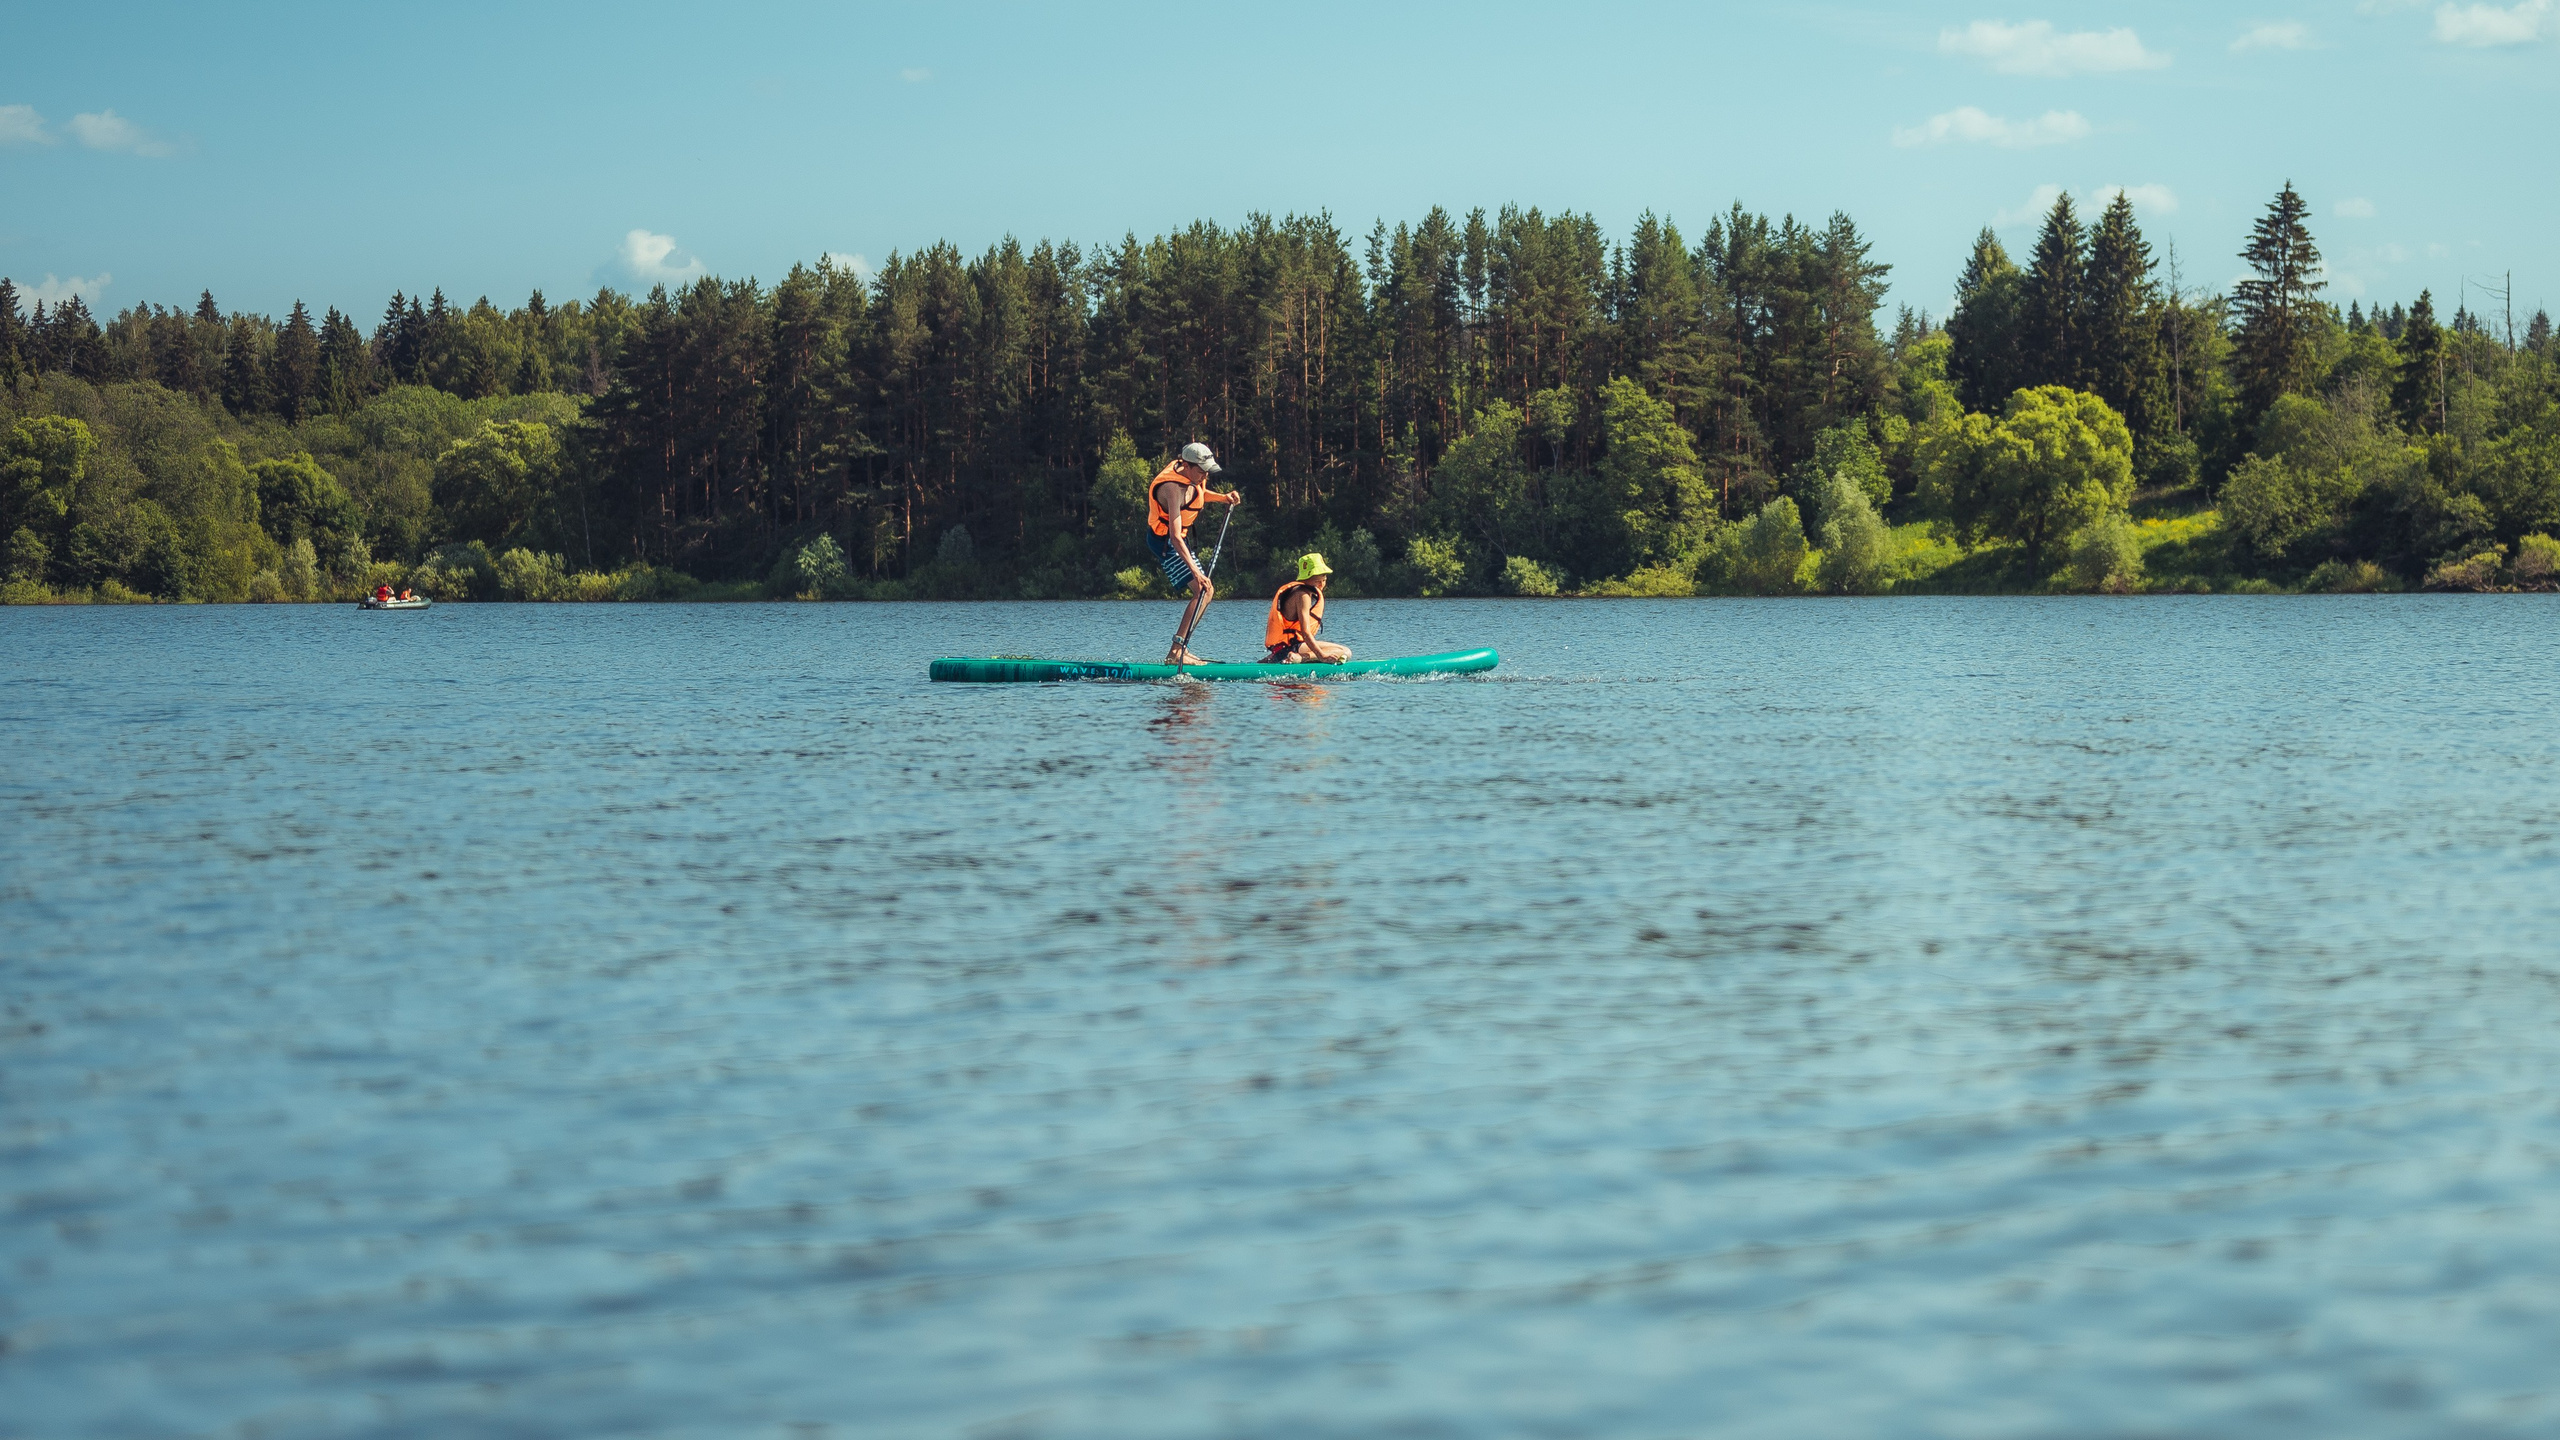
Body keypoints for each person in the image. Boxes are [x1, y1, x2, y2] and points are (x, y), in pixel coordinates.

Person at [1145, 442, 1242, 664]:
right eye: (1201, 470)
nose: (1205, 475)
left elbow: (1197, 494)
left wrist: (1224, 497)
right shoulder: (1171, 488)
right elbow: (1175, 537)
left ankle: (1181, 648)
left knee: (1207, 591)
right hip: (1165, 541)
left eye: (1207, 470)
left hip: (1177, 541)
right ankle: (1176, 652)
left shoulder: (1191, 477)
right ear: (1187, 465)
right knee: (1202, 589)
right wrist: (1196, 573)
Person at [1263, 553, 1350, 664]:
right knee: (1345, 651)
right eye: (1317, 581)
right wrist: (1322, 656)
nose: (1321, 585)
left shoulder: (1296, 592)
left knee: (1339, 652)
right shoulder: (1303, 596)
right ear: (1306, 578)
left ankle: (1285, 657)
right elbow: (1306, 633)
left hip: (1282, 649)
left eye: (1324, 580)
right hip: (1291, 648)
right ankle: (1300, 658)